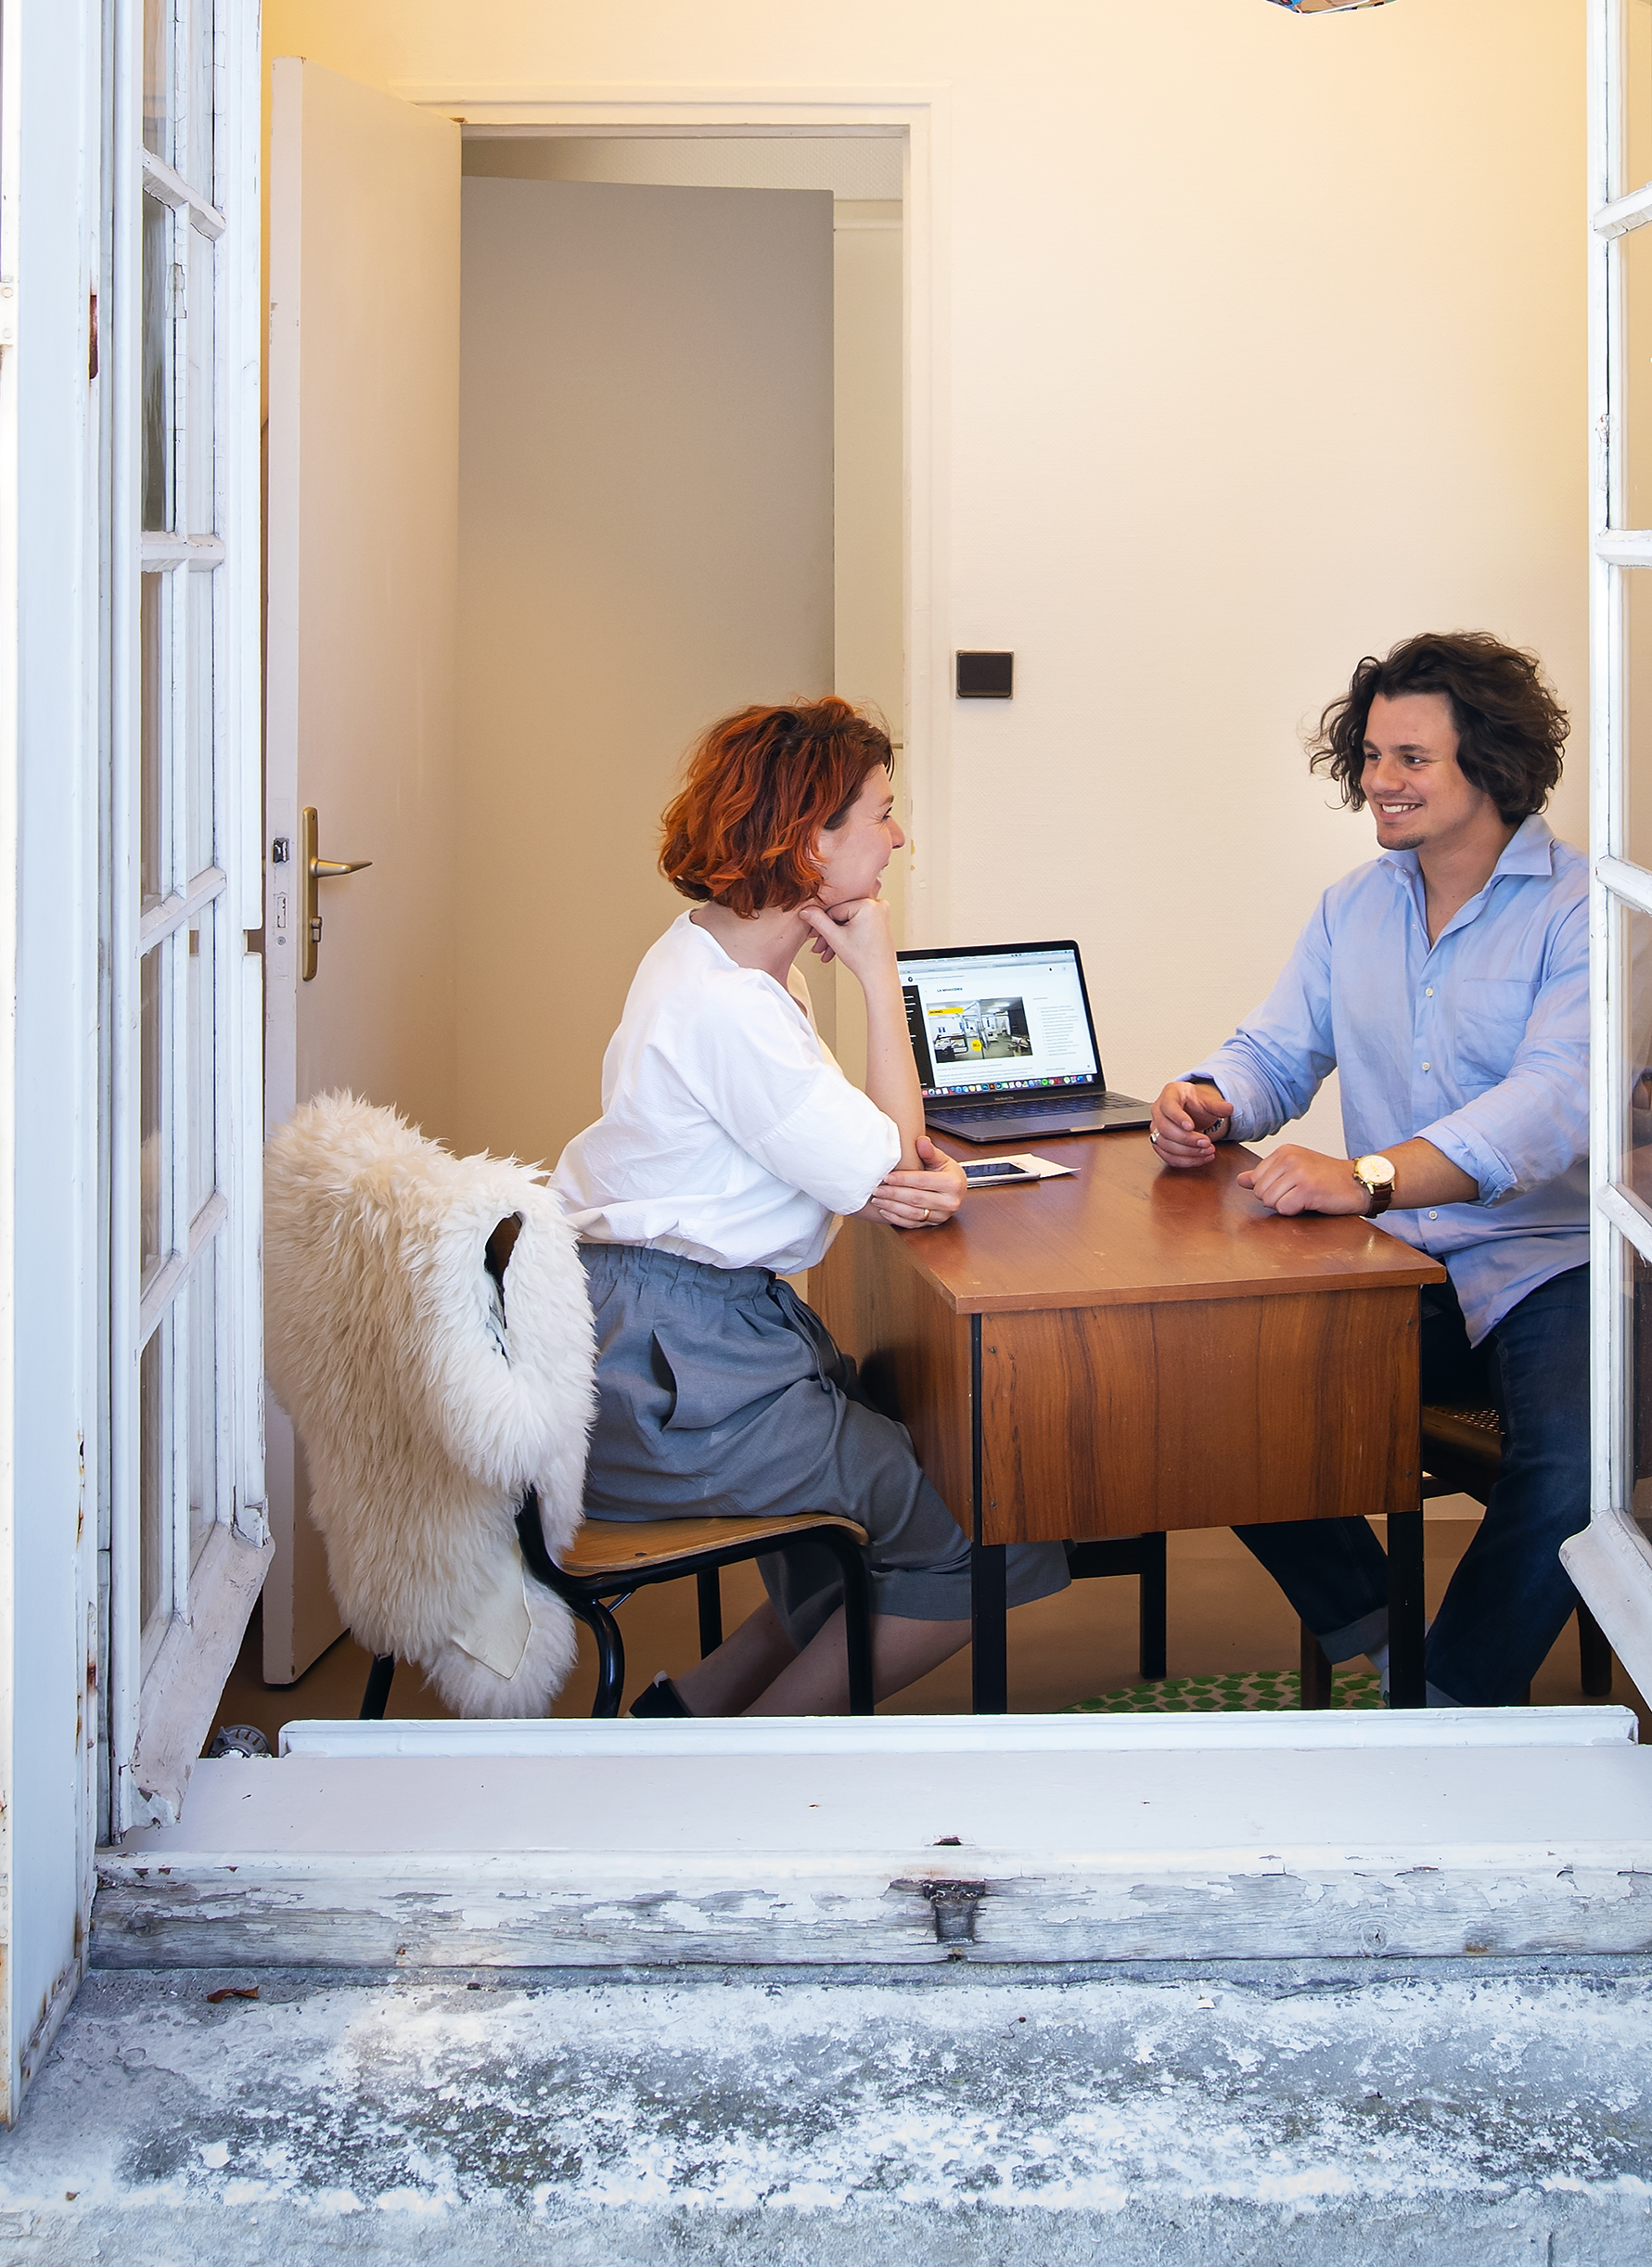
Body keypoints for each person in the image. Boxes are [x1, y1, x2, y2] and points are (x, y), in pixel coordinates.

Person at [554, 695, 1068, 1712]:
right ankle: (742, 1767)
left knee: (873, 1511)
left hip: (661, 1336)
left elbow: (883, 1166)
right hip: (678, 1376)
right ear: (809, 838)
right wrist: (882, 978)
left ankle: (687, 1716)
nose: (898, 834)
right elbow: (907, 1173)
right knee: (977, 1538)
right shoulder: (730, 1011)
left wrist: (897, 1169)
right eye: (880, 810)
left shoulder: (703, 954)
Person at [1153, 632, 1590, 1706]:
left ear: (1489, 764)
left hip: (1549, 1259)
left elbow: (1551, 1101)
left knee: (1573, 1472)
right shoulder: (1353, 904)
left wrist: (1371, 1176)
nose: (1376, 782)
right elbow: (1276, 1050)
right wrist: (1210, 1096)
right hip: (1401, 1263)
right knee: (1216, 1406)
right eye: (1371, 754)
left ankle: (1455, 1700)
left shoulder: (1586, 906)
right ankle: (1394, 1650)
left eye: (1410, 758)